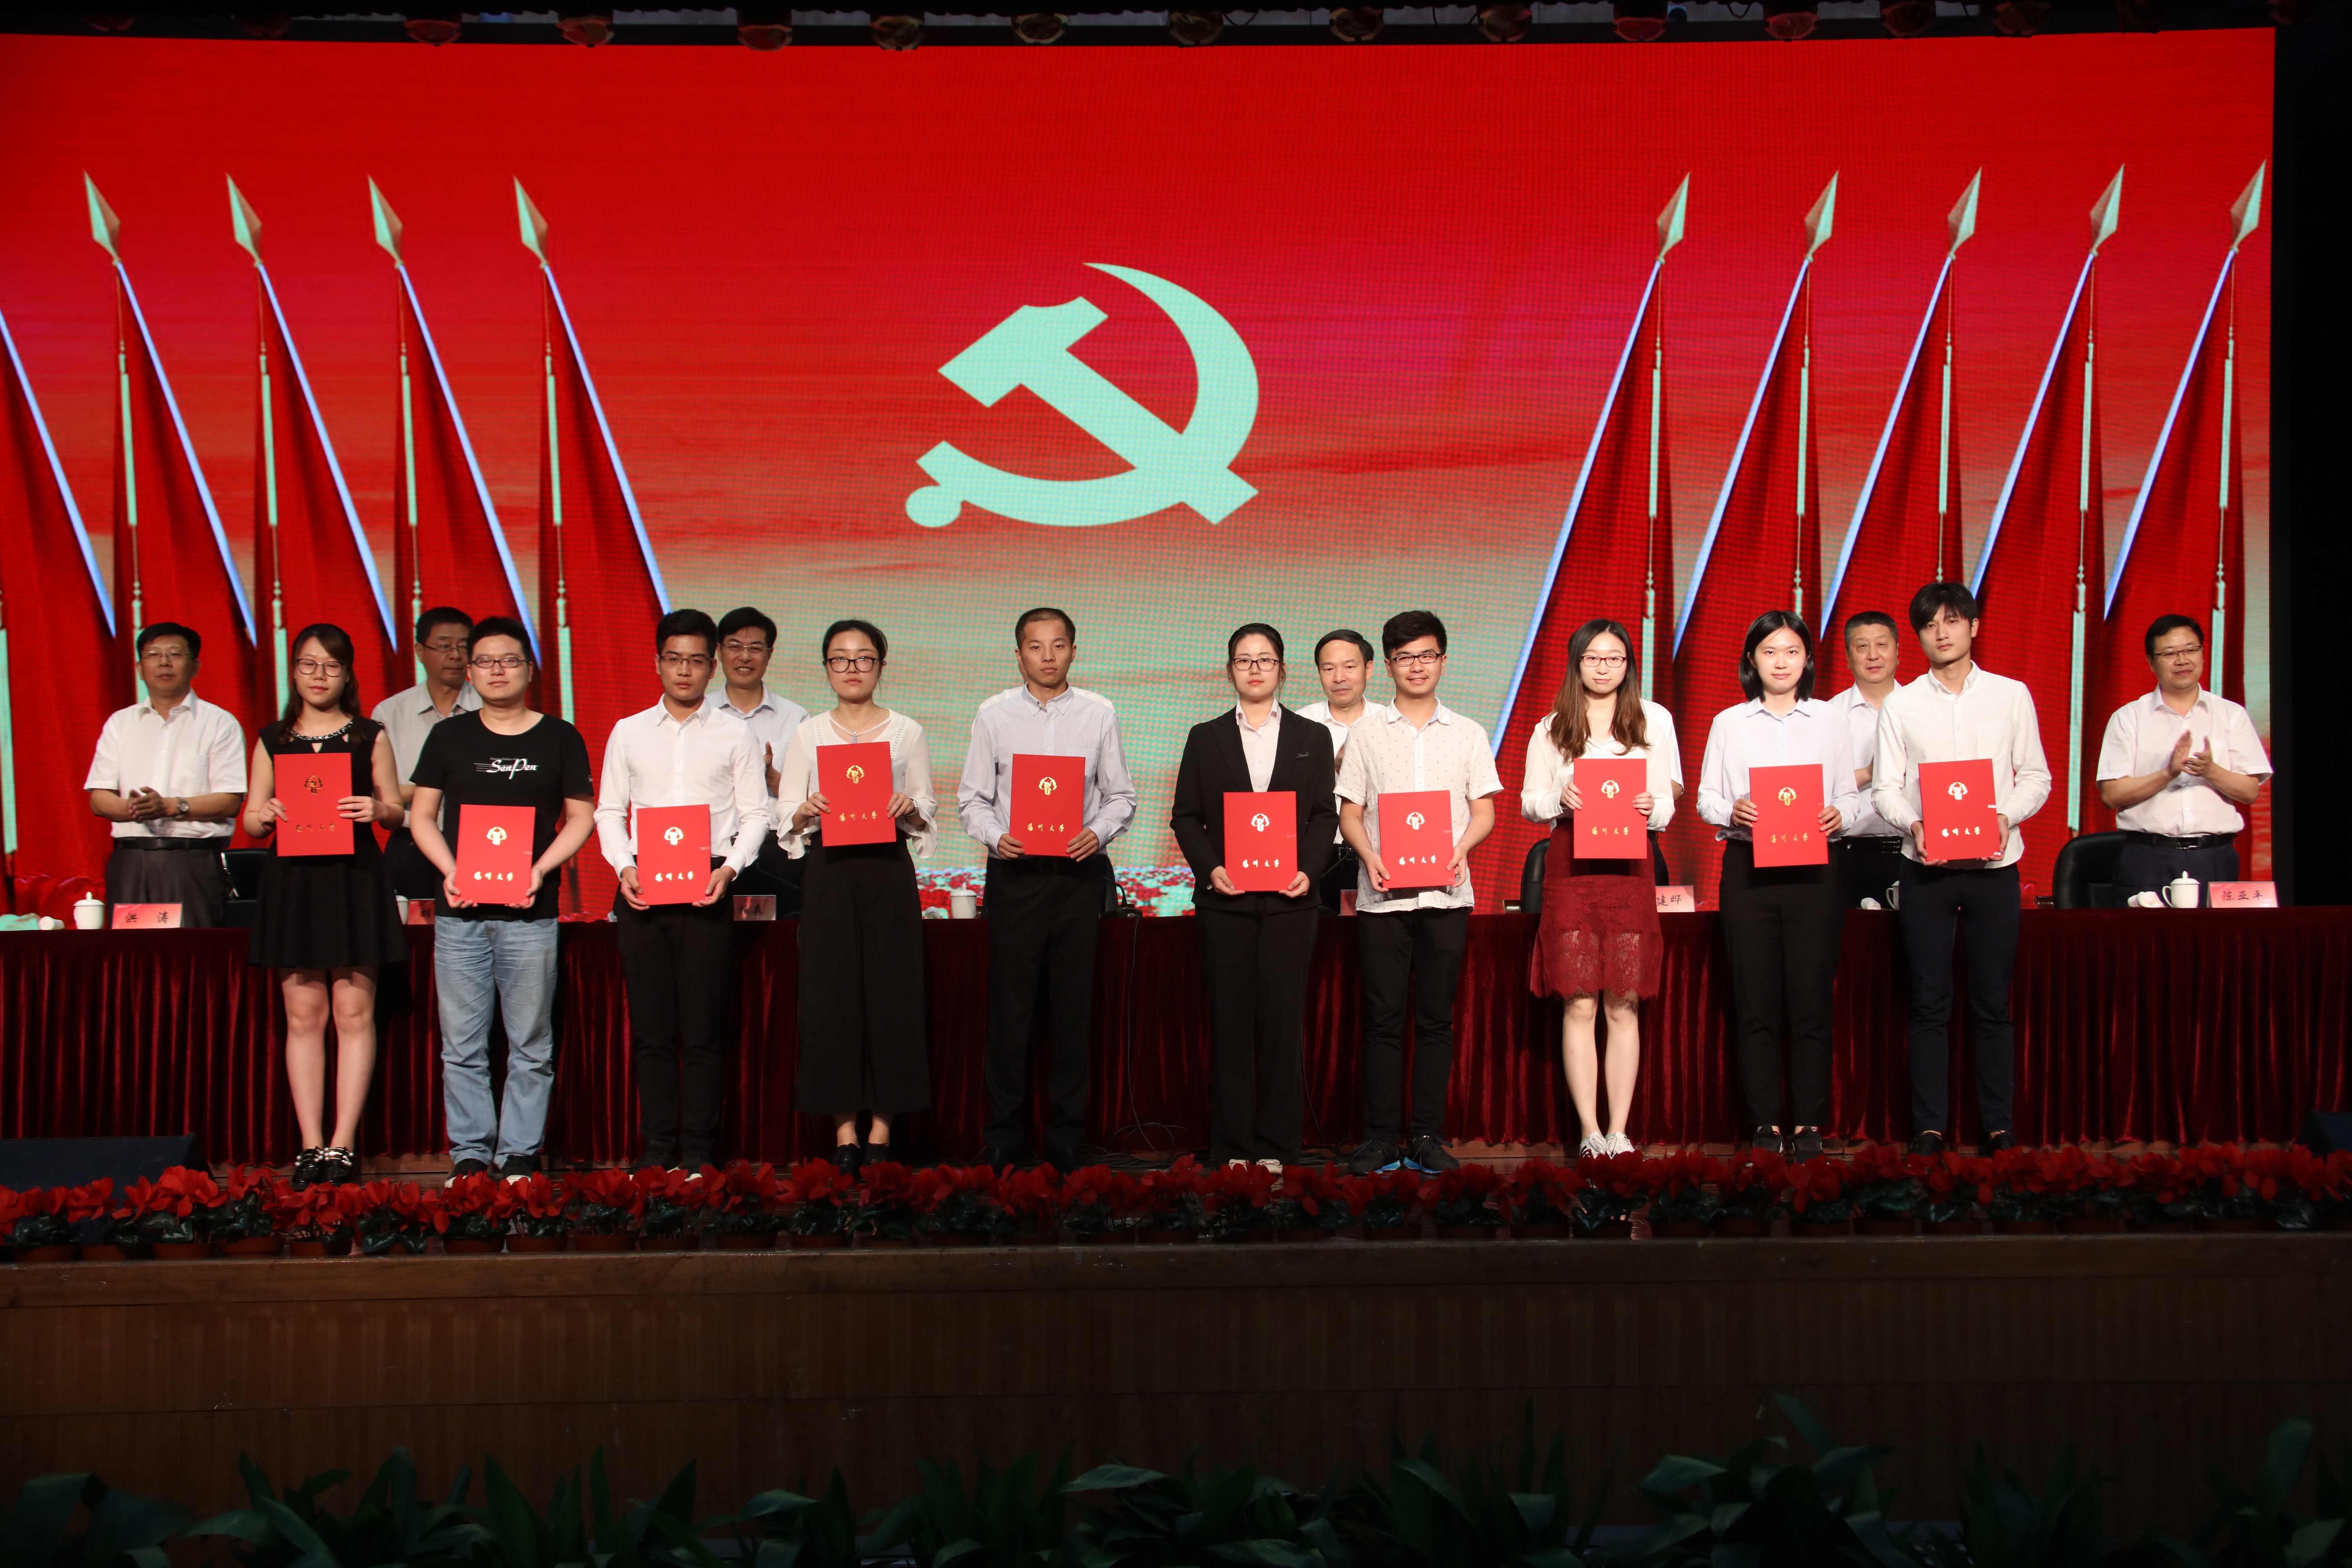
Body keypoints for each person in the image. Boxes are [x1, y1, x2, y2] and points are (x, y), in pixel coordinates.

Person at [406, 616, 596, 1181]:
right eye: (486, 661)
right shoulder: (449, 737)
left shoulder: (560, 737)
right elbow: (422, 816)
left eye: (510, 660)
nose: (497, 671)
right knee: (462, 1045)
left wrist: (540, 869)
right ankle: (469, 1152)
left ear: (529, 670)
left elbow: (581, 817)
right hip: (459, 914)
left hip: (530, 915)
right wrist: (451, 870)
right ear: (469, 671)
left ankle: (519, 1152)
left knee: (530, 1043)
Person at [1870, 582, 2050, 1156]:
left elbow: (2036, 776)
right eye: (1929, 625)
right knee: (1929, 1002)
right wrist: (1914, 824)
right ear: (1918, 637)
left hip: (1996, 867)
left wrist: (2005, 817)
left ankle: (1998, 1127)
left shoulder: (2011, 695)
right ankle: (1929, 1129)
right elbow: (1885, 788)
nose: (1941, 632)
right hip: (1925, 869)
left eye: (1952, 620)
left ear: (1974, 626)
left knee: (1992, 1002)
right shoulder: (1901, 704)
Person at [957, 607, 1137, 1172]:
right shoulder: (994, 714)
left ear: (1073, 651)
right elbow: (972, 800)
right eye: (1036, 647)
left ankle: (1065, 1138)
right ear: (1019, 655)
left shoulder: (1099, 713)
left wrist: (1098, 832)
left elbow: (1122, 796)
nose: (1048, 656)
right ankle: (1004, 1138)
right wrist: (997, 837)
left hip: (1078, 878)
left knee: (1071, 1012)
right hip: (1016, 877)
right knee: (1010, 1013)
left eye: (1058, 645)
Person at [594, 608, 770, 1173]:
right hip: (643, 886)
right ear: (658, 663)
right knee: (651, 1032)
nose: (685, 670)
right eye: (675, 659)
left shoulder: (735, 732)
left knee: (702, 1031)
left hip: (708, 887)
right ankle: (656, 1149)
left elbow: (757, 814)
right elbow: (608, 810)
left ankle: (697, 1150)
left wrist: (731, 869)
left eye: (696, 660)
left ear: (712, 666)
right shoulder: (628, 731)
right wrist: (624, 866)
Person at [239, 623, 409, 1189]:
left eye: (331, 666)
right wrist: (264, 816)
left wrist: (377, 811)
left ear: (347, 673)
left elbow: (396, 810)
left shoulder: (369, 735)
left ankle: (343, 1144)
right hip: (294, 884)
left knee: (354, 1015)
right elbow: (251, 819)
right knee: (303, 1017)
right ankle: (310, 1144)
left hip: (353, 880)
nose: (319, 676)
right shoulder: (273, 738)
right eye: (309, 665)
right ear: (293, 671)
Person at [1336, 610, 1500, 1176]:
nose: (1417, 666)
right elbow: (1350, 812)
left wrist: (1461, 848)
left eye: (1427, 655)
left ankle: (1428, 1135)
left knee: (1436, 1020)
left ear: (1443, 661)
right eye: (1405, 657)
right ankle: (1381, 1137)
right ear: (1388, 666)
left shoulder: (1469, 733)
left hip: (1447, 896)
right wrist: (1369, 855)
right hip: (1383, 897)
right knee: (1383, 1020)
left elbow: (1484, 811)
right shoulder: (1365, 734)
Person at [1168, 624, 1338, 1169]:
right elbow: (1186, 816)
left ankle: (1277, 1148)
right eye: (1244, 660)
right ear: (1230, 672)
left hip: (1292, 903)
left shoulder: (1313, 736)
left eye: (1265, 659)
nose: (1255, 669)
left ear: (1283, 670)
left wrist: (1309, 871)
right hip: (1227, 902)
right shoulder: (1205, 737)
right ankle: (1234, 1149)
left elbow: (1324, 817)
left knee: (1283, 1026)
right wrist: (1211, 869)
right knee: (1231, 1025)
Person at [1695, 613, 1861, 1160]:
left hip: (1816, 872)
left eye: (1792, 651)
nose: (1782, 662)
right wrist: (1732, 810)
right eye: (1770, 651)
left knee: (1811, 1002)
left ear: (1808, 659)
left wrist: (1842, 814)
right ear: (1752, 660)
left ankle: (1809, 1125)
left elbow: (1853, 795)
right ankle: (1765, 1126)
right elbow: (1707, 798)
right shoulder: (1730, 722)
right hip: (1749, 871)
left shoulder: (1832, 720)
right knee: (1756, 1002)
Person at [777, 619, 935, 1170]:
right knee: (831, 998)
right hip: (830, 871)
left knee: (894, 994)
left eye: (864, 658)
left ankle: (882, 1131)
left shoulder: (907, 732)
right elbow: (786, 812)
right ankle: (845, 1132)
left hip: (887, 869)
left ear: (881, 666)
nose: (852, 668)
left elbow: (926, 807)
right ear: (826, 667)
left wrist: (909, 808)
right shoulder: (809, 733)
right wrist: (804, 810)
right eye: (840, 659)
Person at [1519, 618, 1677, 1160]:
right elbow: (1530, 802)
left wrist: (1654, 807)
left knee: (1624, 1002)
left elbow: (1669, 802)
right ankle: (1589, 1131)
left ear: (1629, 664)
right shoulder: (1551, 726)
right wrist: (1559, 799)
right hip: (1572, 870)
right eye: (1593, 658)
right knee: (1580, 1000)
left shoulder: (1654, 719)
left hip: (1631, 869)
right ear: (1577, 663)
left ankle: (1619, 1130)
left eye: (1614, 658)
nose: (1603, 667)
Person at [2095, 614, 2271, 906]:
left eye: (2191, 650)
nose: (2182, 660)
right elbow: (2111, 795)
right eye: (2170, 654)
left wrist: (2211, 771)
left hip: (2215, 857)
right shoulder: (2129, 718)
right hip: (2148, 858)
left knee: (2217, 936)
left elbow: (2250, 792)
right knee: (2142, 937)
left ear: (2202, 654)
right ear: (2151, 662)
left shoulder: (2231, 715)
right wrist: (2167, 774)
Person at [83, 621, 245, 926]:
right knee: (132, 953)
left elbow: (230, 801)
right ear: (139, 668)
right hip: (131, 863)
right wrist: (133, 809)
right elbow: (99, 798)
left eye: (175, 654)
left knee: (190, 952)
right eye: (154, 655)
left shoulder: (219, 723)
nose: (164, 662)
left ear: (195, 666)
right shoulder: (120, 724)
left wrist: (170, 806)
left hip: (191, 863)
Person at [704, 606, 811, 914]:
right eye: (735, 646)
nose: (745, 657)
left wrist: (770, 777)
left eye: (755, 648)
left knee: (779, 938)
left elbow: (812, 798)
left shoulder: (795, 718)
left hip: (777, 848)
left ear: (769, 655)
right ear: (719, 651)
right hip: (713, 849)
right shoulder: (700, 714)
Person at [370, 607, 478, 901]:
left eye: (464, 647)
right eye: (444, 646)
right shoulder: (390, 713)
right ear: (420, 651)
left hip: (478, 841)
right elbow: (382, 793)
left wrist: (414, 791)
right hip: (410, 844)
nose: (455, 656)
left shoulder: (490, 709)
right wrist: (447, 788)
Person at [1296, 629, 1389, 912]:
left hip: (1381, 855)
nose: (1339, 677)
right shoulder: (1300, 725)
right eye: (1329, 669)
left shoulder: (1389, 722)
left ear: (1369, 669)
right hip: (1316, 857)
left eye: (1349, 667)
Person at [1824, 610, 1907, 909]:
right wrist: (1872, 772)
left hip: (1915, 851)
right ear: (1848, 657)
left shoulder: (1922, 710)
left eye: (1882, 645)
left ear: (1898, 652)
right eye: (1862, 647)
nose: (1873, 655)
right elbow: (1816, 790)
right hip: (1849, 854)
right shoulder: (1829, 717)